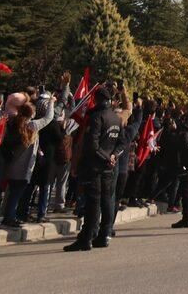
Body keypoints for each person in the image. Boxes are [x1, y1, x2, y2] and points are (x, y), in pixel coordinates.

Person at [64, 86, 120, 251]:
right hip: (108, 165)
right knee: (106, 201)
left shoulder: (97, 117)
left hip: (95, 166)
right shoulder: (115, 118)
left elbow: (92, 145)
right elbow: (122, 143)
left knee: (93, 203)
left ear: (96, 99)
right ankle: (103, 235)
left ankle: (86, 238)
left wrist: (108, 157)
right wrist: (113, 156)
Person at [1, 92, 54, 227]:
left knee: (10, 193)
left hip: (10, 165)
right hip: (23, 169)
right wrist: (52, 102)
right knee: (16, 194)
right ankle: (9, 217)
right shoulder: (32, 126)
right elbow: (49, 117)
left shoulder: (12, 122)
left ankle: (8, 215)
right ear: (32, 114)